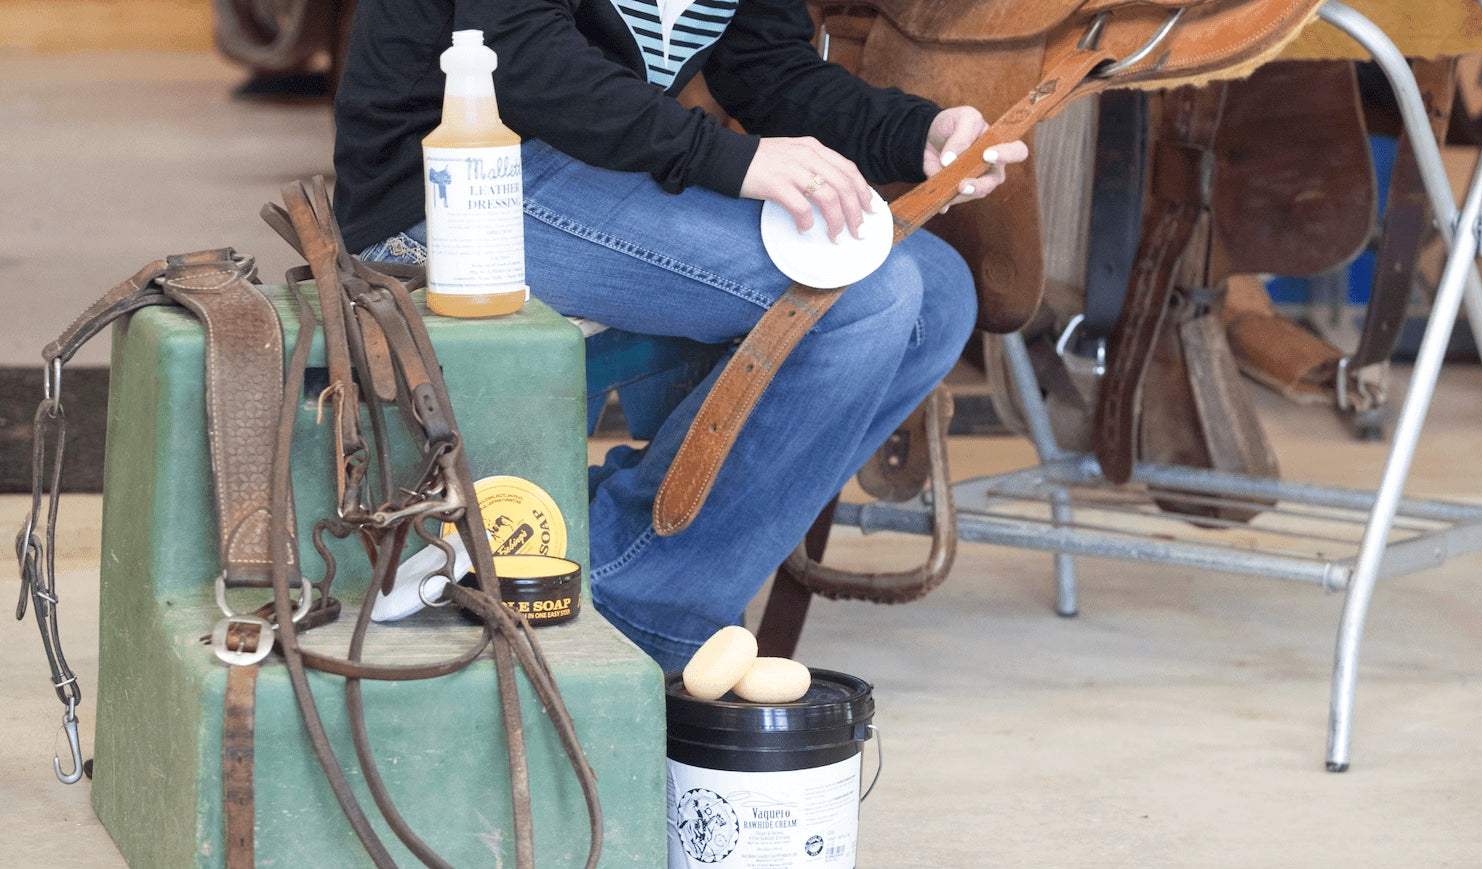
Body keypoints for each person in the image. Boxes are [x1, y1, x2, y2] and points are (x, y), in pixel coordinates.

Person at [335, 0, 1027, 671]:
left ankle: (603, 558)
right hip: (451, 181)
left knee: (937, 294)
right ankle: (633, 604)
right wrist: (734, 161)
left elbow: (766, 68)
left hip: (592, 163)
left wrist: (916, 133)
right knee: (867, 298)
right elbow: (522, 57)